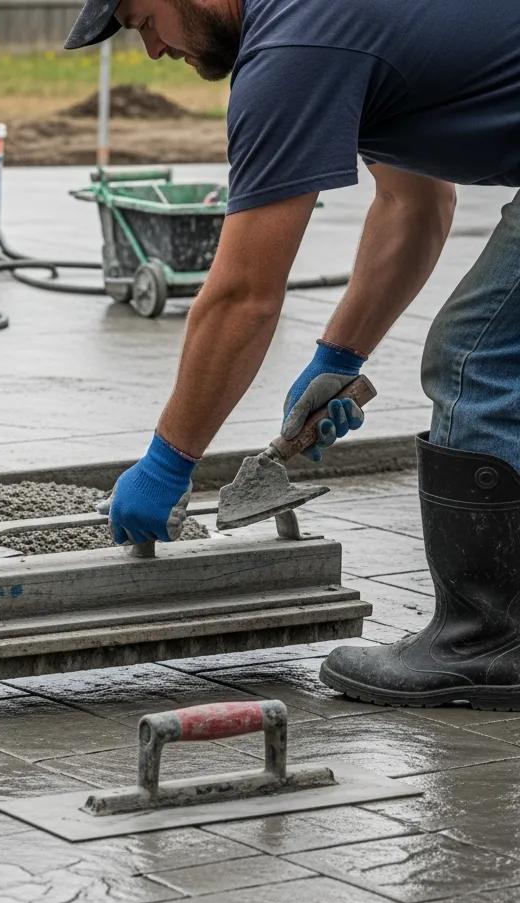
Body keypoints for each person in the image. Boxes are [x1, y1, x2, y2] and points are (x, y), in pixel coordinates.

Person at [64, 0, 520, 710]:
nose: (150, 48)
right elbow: (415, 204)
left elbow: (244, 294)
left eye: (139, 18)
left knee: (476, 358)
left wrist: (167, 464)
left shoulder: (293, 47)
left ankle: (485, 643)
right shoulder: (319, 21)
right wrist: (339, 354)